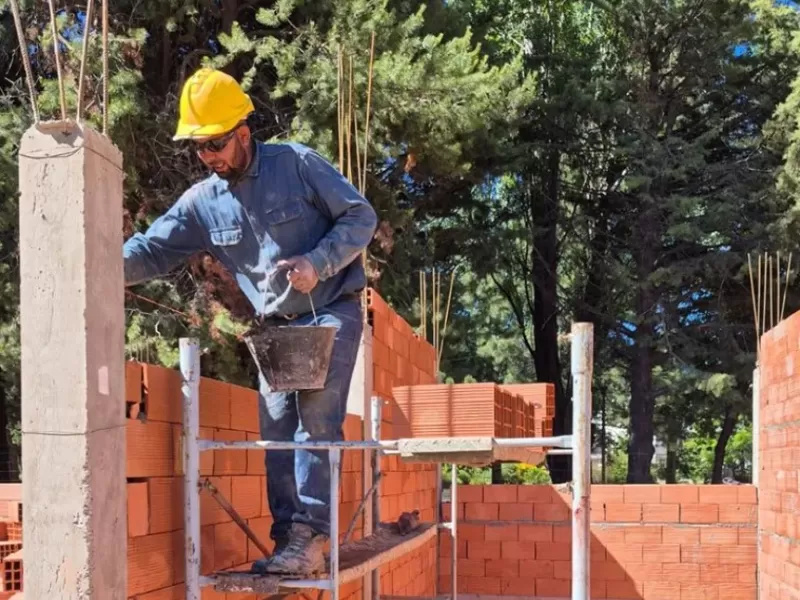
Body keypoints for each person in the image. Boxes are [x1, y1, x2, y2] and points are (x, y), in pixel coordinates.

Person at [123, 67, 378, 575]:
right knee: (276, 430)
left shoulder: (297, 164)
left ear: (243, 132)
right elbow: (152, 249)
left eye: (216, 143)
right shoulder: (203, 202)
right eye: (199, 147)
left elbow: (360, 217)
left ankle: (312, 536)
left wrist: (318, 261)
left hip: (330, 308)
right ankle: (289, 541)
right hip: (275, 327)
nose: (208, 156)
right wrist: (96, 264)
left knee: (315, 421)